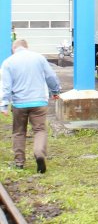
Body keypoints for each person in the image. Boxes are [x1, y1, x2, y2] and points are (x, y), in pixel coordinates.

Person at [0, 39, 62, 173]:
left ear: (14, 48)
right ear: (26, 47)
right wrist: (55, 91)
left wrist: (4, 104)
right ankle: (39, 154)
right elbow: (50, 76)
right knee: (40, 130)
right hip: (39, 102)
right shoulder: (39, 58)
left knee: (19, 132)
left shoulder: (8, 62)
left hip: (19, 103)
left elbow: (5, 86)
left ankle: (19, 163)